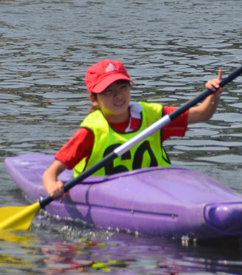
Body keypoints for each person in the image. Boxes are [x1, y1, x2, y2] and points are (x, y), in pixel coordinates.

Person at [43, 59, 223, 199]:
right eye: (108, 91)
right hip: (107, 196)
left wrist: (214, 95)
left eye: (123, 87)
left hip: (158, 190)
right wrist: (53, 186)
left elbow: (202, 114)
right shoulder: (91, 130)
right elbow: (51, 173)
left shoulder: (152, 116)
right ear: (94, 99)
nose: (118, 95)